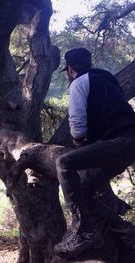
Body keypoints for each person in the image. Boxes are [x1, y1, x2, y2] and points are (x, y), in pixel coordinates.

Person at [54, 48, 135, 256]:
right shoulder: (106, 78)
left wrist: (80, 145)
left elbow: (77, 128)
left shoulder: (79, 83)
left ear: (70, 69)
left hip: (121, 143)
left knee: (64, 163)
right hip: (126, 145)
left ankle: (84, 230)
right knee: (83, 188)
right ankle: (126, 232)